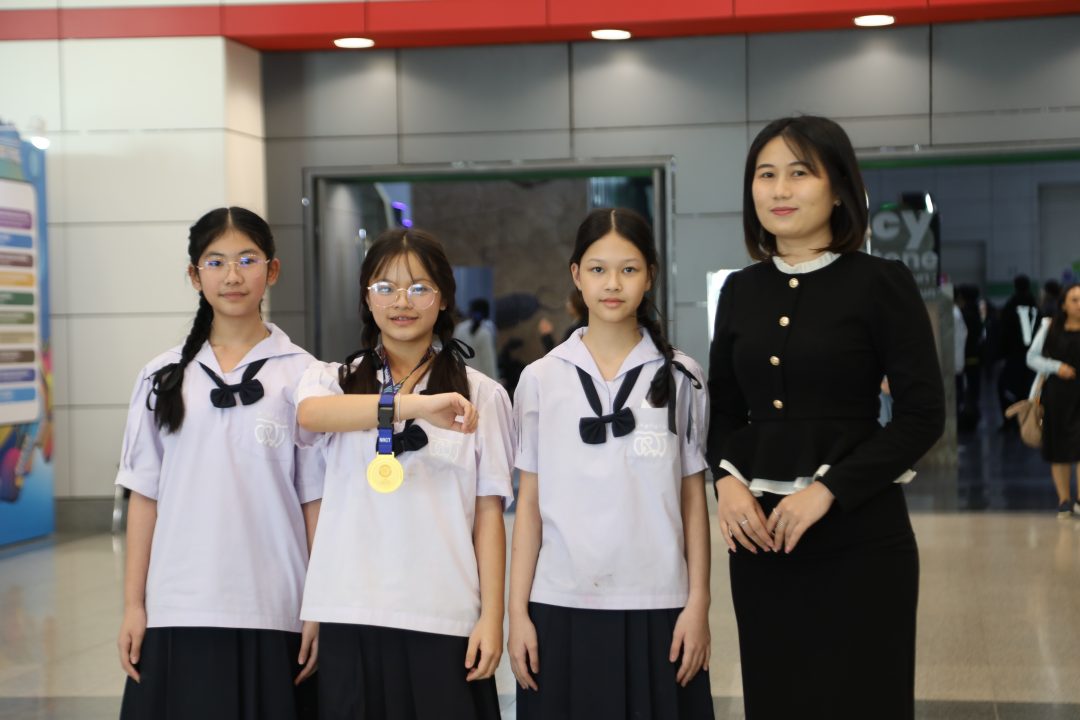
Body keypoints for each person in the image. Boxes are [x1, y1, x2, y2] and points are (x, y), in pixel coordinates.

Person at [707, 116, 945, 719]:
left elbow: (922, 415)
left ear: (838, 188)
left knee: (864, 698)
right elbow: (724, 410)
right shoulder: (740, 290)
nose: (780, 190)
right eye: (765, 175)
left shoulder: (881, 283)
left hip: (861, 537)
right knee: (777, 697)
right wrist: (726, 482)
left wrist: (827, 491)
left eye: (799, 173)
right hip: (761, 541)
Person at [295, 227, 514, 720]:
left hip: (443, 612)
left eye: (419, 288)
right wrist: (414, 406)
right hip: (349, 610)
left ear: (444, 298)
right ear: (366, 298)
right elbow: (311, 416)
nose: (402, 301)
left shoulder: (482, 395)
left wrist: (492, 617)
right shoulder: (331, 381)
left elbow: (489, 514)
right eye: (385, 287)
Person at [115, 207, 322, 720]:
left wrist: (318, 606)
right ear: (195, 275)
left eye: (247, 260)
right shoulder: (162, 375)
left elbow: (315, 502)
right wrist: (134, 605)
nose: (233, 275)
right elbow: (144, 497)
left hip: (275, 604)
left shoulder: (306, 375)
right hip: (178, 604)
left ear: (272, 270)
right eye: (216, 262)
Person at [508, 208, 714, 720]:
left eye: (629, 269)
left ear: (650, 277)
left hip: (659, 603)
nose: (613, 284)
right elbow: (529, 505)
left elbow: (693, 500)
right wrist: (517, 613)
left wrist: (698, 604)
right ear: (576, 276)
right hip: (560, 602)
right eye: (598, 269)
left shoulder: (682, 376)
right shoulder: (541, 378)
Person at [1026, 283, 1080, 518]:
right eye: (1074, 300)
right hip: (1058, 396)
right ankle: (1064, 500)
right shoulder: (1050, 327)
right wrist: (1057, 367)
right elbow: (1031, 357)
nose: (1079, 305)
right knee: (1059, 449)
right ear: (1064, 305)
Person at [997, 274, 1040, 427]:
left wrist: (1002, 353)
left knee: (1006, 387)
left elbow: (1004, 332)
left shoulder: (1011, 306)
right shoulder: (1034, 305)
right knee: (1028, 389)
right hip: (1032, 356)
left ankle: (1010, 421)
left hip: (1014, 356)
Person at [454, 298, 498, 379]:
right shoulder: (486, 331)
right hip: (479, 379)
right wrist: (495, 382)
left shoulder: (459, 328)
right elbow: (488, 362)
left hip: (460, 378)